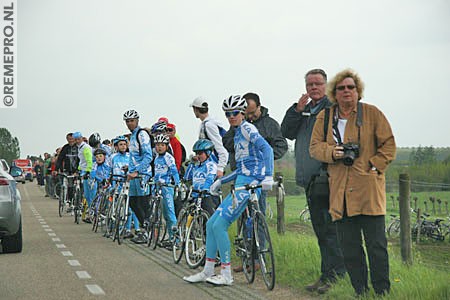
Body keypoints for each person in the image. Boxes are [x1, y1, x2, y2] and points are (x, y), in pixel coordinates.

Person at [309, 69, 396, 296]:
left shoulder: (372, 113)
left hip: (368, 190)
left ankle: (382, 291)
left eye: (351, 87)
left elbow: (388, 144)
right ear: (334, 93)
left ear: (358, 91)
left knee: (376, 246)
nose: (347, 91)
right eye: (341, 88)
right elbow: (314, 147)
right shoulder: (326, 117)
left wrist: (374, 166)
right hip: (340, 192)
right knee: (350, 248)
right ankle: (360, 291)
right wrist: (333, 152)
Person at [183, 95, 274, 286]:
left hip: (250, 186)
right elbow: (241, 169)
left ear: (242, 113)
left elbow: (268, 150)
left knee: (219, 225)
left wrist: (268, 176)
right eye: (228, 114)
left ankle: (226, 274)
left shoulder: (247, 128)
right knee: (210, 224)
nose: (231, 117)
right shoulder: (238, 132)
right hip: (241, 182)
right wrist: (221, 181)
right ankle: (207, 270)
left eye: (234, 113)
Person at [281, 68, 345, 293]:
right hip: (310, 179)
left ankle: (336, 277)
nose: (314, 88)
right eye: (310, 85)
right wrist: (296, 110)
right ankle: (326, 274)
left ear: (326, 86)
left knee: (331, 230)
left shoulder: (333, 109)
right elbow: (286, 132)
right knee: (320, 230)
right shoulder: (304, 111)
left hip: (328, 178)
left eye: (318, 84)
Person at [223, 92, 288, 273]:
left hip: (259, 177)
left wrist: (261, 159)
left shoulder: (270, 124)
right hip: (240, 175)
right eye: (246, 113)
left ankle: (260, 258)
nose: (249, 117)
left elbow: (281, 146)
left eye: (252, 113)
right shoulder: (238, 123)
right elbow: (227, 141)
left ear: (259, 107)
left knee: (257, 215)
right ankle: (247, 257)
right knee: (243, 218)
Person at [123, 109, 153, 244]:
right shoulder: (133, 136)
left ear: (137, 121)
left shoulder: (142, 135)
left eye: (132, 121)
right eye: (127, 121)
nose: (129, 124)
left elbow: (148, 156)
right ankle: (144, 229)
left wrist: (138, 171)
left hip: (143, 175)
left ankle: (147, 231)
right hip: (133, 174)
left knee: (143, 203)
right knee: (133, 203)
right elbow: (134, 157)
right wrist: (130, 169)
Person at [190, 96, 228, 178]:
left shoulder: (209, 125)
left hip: (213, 164)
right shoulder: (208, 123)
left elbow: (219, 146)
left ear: (196, 109)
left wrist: (220, 167)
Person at [152, 134, 180, 245]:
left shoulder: (169, 158)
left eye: (162, 145)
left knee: (170, 214)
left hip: (167, 188)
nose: (159, 147)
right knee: (164, 214)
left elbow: (174, 171)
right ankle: (170, 238)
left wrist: (177, 184)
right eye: (157, 145)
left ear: (166, 146)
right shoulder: (156, 158)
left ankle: (176, 240)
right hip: (158, 187)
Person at [183, 139, 218, 216]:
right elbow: (187, 178)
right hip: (194, 195)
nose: (198, 156)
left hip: (206, 195)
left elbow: (210, 178)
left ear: (208, 153)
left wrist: (205, 189)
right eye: (196, 153)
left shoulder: (211, 165)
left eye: (200, 153)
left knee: (210, 218)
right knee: (188, 214)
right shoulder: (196, 165)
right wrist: (191, 163)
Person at [73, 131, 94, 222]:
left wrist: (88, 171)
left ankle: (91, 213)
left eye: (78, 139)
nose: (77, 141)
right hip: (83, 171)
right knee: (85, 194)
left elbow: (89, 160)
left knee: (89, 195)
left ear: (81, 138)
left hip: (88, 173)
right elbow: (82, 161)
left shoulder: (85, 147)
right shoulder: (80, 148)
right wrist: (78, 170)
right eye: (75, 139)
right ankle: (89, 212)